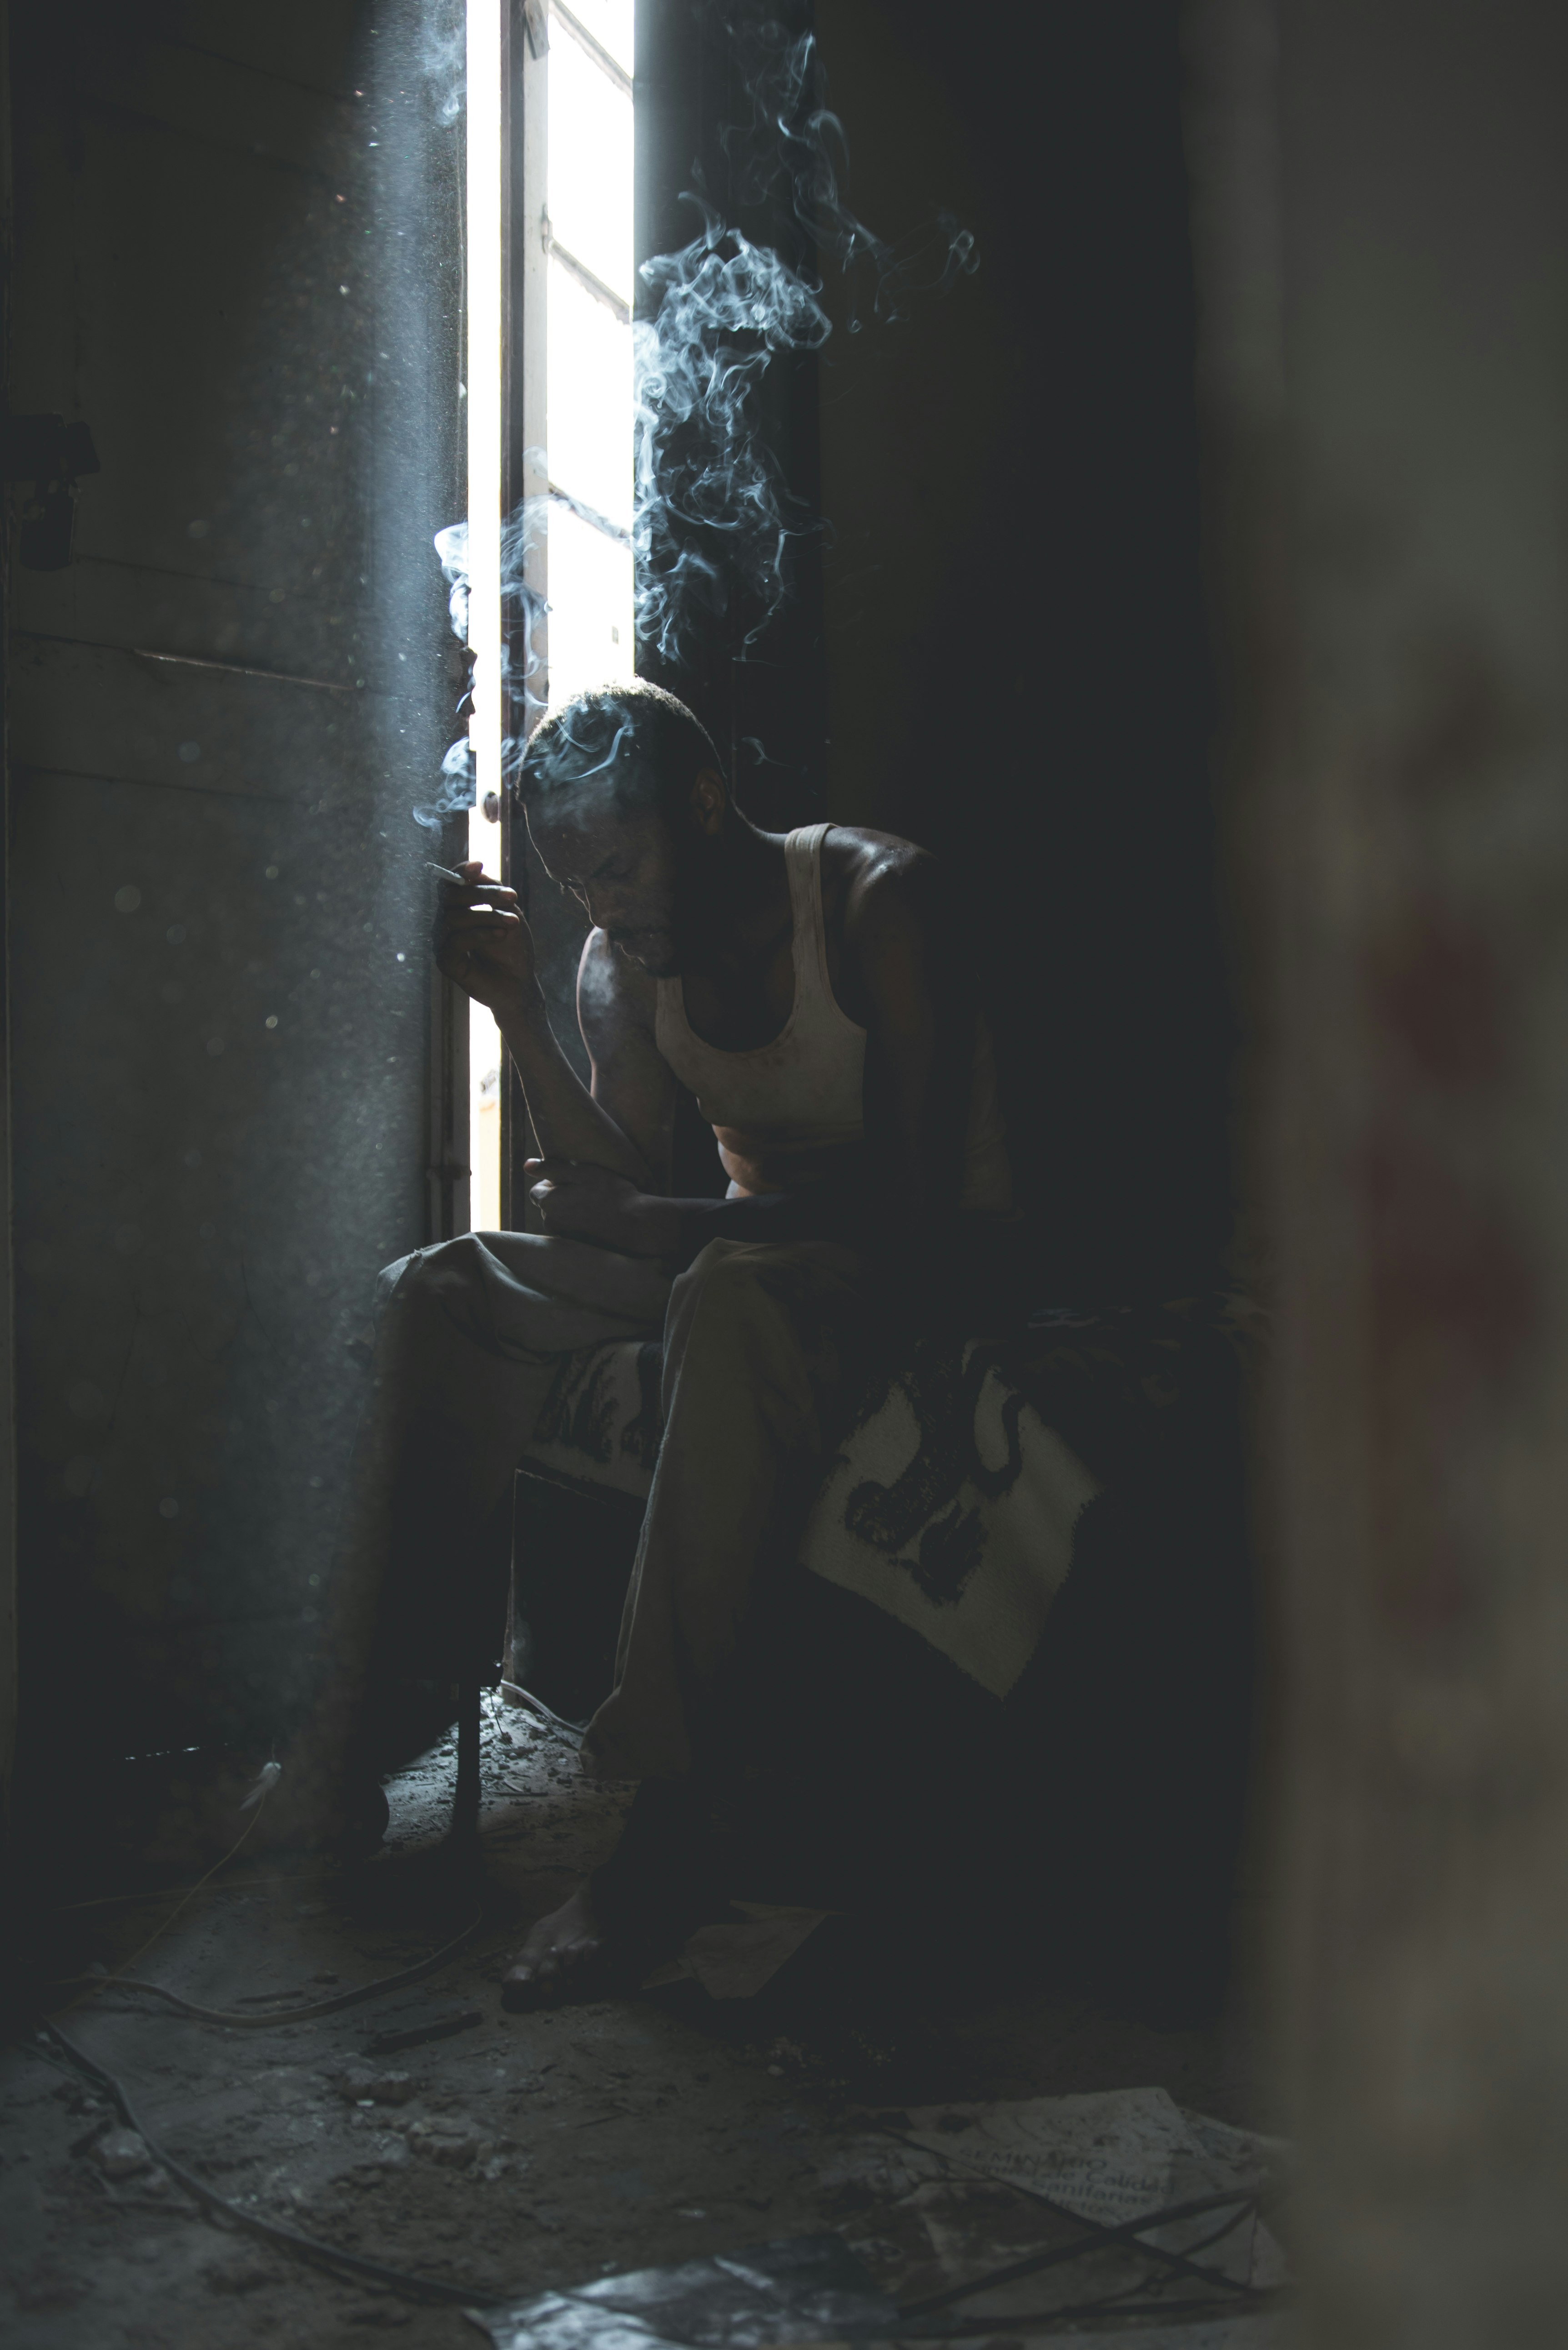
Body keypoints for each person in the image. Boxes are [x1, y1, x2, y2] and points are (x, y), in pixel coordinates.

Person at [369, 677, 1015, 2002]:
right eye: (577, 881)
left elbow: (914, 1204)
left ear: (706, 806)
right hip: (742, 1253)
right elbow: (613, 1189)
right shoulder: (624, 959)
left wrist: (667, 1224)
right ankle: (351, 1746)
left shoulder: (878, 904)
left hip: (913, 1270)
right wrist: (520, 1018)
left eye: (619, 864)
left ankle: (654, 1835)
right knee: (433, 1286)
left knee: (723, 1292)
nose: (602, 905)